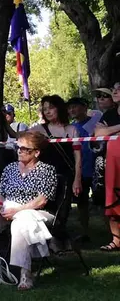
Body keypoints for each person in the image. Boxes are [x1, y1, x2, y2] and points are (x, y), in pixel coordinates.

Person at [0, 131, 58, 291]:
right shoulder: (10, 168)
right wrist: (0, 206)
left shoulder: (46, 170)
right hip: (9, 209)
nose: (19, 151)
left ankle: (24, 273)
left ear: (37, 152)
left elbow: (41, 201)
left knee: (21, 223)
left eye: (24, 148)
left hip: (36, 212)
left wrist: (18, 210)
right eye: (18, 147)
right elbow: (1, 191)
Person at [29, 95, 82, 200]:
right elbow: (19, 137)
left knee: (63, 211)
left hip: (66, 176)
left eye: (51, 108)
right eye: (44, 109)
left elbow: (78, 157)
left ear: (59, 108)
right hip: (43, 178)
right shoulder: (38, 130)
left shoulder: (72, 130)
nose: (47, 112)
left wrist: (77, 179)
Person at [95, 82, 120, 252]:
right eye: (114, 89)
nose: (114, 92)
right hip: (113, 162)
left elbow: (106, 132)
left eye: (118, 89)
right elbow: (98, 133)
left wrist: (110, 131)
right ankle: (116, 240)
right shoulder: (110, 114)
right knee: (112, 199)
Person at [67, 97, 96, 239]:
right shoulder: (71, 128)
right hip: (81, 170)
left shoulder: (96, 122)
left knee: (103, 201)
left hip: (97, 168)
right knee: (82, 202)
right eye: (70, 107)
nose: (72, 110)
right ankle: (85, 232)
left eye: (75, 106)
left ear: (84, 107)